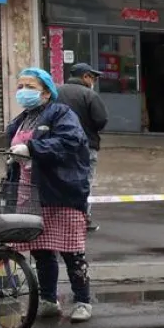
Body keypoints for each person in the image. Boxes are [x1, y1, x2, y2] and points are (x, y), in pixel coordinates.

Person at [6, 68, 93, 322]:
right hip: (30, 192)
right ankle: (48, 299)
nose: (23, 91)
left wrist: (32, 147)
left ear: (45, 92)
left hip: (60, 192)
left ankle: (82, 301)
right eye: (20, 86)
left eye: (29, 86)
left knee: (71, 250)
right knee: (41, 250)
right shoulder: (23, 118)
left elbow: (70, 142)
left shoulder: (61, 113)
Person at [59, 63, 108, 230]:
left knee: (59, 179)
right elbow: (101, 121)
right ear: (85, 76)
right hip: (86, 146)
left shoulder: (55, 92)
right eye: (92, 78)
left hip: (58, 145)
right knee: (84, 181)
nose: (93, 81)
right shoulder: (90, 95)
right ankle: (82, 219)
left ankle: (59, 219)